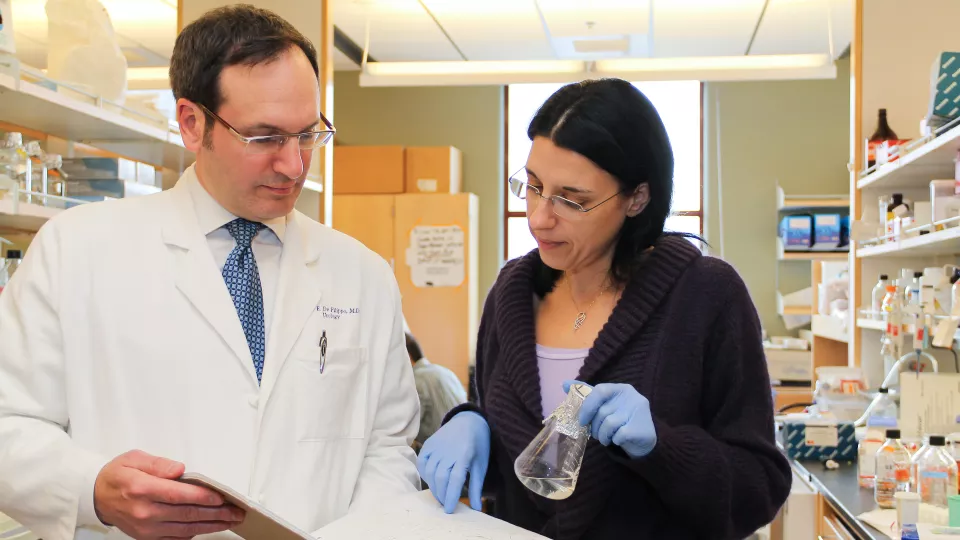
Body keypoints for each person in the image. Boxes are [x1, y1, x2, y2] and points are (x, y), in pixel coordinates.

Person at [0, 6, 420, 540]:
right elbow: (8, 424)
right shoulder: (76, 249)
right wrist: (92, 488)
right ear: (192, 123)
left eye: (308, 134)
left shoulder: (362, 274)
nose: (294, 164)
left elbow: (387, 447)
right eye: (264, 137)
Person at [416, 79, 792, 539]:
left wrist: (661, 446)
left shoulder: (706, 296)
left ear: (638, 198)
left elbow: (759, 487)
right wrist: (473, 422)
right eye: (532, 186)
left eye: (573, 199)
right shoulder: (511, 295)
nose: (539, 217)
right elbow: (521, 470)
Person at [406, 331, 467, 449]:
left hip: (440, 457)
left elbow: (404, 434)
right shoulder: (447, 373)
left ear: (407, 356)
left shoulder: (415, 382)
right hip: (464, 453)